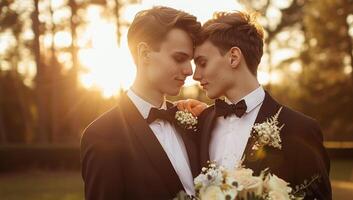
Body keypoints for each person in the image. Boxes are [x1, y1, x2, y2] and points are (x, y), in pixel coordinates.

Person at [189, 11, 332, 199]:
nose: (195, 75)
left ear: (233, 57)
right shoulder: (200, 122)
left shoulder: (301, 129)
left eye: (202, 63)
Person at [80, 6, 201, 200]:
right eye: (179, 58)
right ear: (144, 53)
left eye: (191, 61)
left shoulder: (192, 120)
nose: (189, 70)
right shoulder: (102, 134)